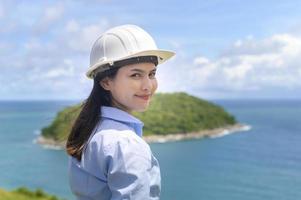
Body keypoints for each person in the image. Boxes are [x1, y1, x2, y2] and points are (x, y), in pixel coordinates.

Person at [66, 24, 175, 200]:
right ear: (106, 82)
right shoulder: (125, 144)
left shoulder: (92, 129)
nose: (148, 85)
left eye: (152, 74)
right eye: (136, 75)